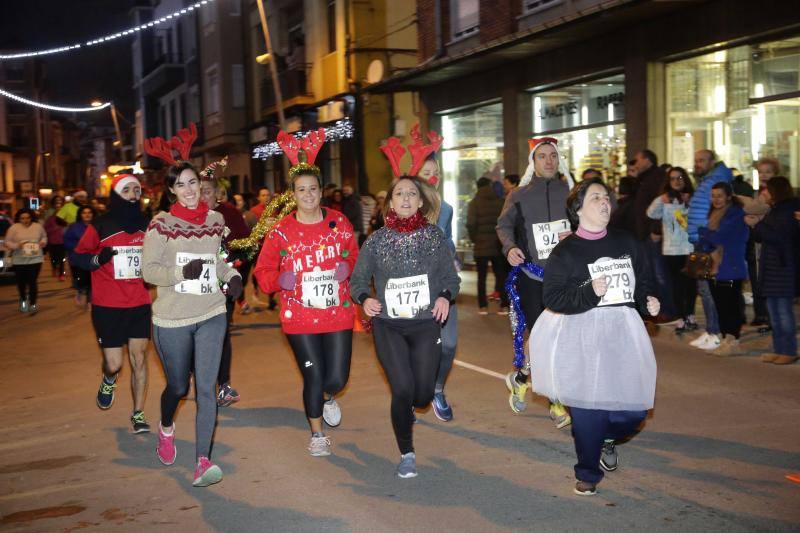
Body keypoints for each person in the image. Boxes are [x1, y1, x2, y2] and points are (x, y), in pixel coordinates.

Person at [530, 177, 659, 496]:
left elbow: (640, 283)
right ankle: (587, 472)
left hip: (622, 332)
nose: (605, 203)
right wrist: (590, 291)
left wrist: (647, 303)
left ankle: (608, 437)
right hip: (581, 334)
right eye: (595, 198)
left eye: (607, 197)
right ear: (578, 209)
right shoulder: (566, 251)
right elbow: (553, 298)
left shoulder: (627, 242)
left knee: (633, 412)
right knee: (588, 409)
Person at [142, 125, 243, 487]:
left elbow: (215, 260)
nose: (189, 189)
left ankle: (203, 461)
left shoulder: (215, 221)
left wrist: (230, 275)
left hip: (212, 312)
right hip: (171, 319)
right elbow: (148, 273)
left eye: (193, 182)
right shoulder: (161, 225)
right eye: (181, 184)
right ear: (171, 190)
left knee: (205, 389)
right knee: (178, 389)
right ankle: (166, 427)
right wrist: (179, 271)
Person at [254, 129, 359, 457]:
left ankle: (330, 396)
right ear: (293, 194)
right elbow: (262, 272)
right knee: (313, 376)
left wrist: (348, 267)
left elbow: (355, 255)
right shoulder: (281, 231)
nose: (309, 195)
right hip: (299, 317)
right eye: (302, 190)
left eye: (313, 189)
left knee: (337, 378)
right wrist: (278, 281)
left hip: (337, 312)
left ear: (320, 191)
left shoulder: (339, 223)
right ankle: (317, 434)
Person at [350, 176, 460, 477]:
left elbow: (452, 280)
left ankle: (414, 404)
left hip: (425, 323)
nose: (406, 198)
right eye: (400, 193)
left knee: (422, 396)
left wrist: (444, 298)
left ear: (421, 202)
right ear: (391, 202)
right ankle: (407, 452)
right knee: (401, 390)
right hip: (389, 325)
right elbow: (357, 281)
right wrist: (365, 299)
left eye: (412, 193)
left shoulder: (434, 237)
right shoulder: (376, 240)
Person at [495, 137, 572, 426]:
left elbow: (589, 223)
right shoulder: (519, 194)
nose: (549, 161)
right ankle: (556, 402)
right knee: (542, 335)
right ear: (533, 162)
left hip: (566, 276)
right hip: (532, 275)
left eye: (553, 155)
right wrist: (510, 248)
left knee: (561, 337)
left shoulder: (572, 191)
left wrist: (575, 236)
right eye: (542, 156)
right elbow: (503, 226)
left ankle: (522, 377)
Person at [72, 174, 152, 433]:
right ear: (116, 194)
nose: (132, 194)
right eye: (126, 189)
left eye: (136, 190)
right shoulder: (101, 225)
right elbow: (77, 256)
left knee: (139, 359)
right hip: (108, 305)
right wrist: (98, 260)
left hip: (139, 302)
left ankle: (138, 414)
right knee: (115, 363)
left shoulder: (148, 224)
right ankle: (109, 378)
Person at [415, 149, 460, 422]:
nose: (432, 178)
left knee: (449, 344)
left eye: (436, 173)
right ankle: (410, 394)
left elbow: (450, 241)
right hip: (413, 289)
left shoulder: (447, 209)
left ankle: (437, 389)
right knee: (414, 347)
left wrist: (452, 255)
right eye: (426, 173)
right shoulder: (402, 206)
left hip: (443, 286)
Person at [200, 174, 252, 408]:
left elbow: (247, 245)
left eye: (207, 192)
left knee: (221, 332)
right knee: (196, 334)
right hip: (194, 289)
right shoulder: (185, 217)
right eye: (198, 191)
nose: (202, 196)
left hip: (222, 284)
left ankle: (224, 384)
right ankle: (198, 376)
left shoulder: (229, 214)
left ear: (217, 194)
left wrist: (234, 267)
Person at [746, 177, 799, 365]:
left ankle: (789, 350)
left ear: (777, 191)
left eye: (767, 190)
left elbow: (780, 238)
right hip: (771, 268)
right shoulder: (775, 210)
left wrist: (757, 225)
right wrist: (756, 226)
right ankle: (779, 349)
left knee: (784, 313)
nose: (764, 193)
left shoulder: (789, 210)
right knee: (774, 314)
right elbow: (762, 236)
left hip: (783, 269)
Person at [686, 150, 733, 350]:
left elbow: (719, 209)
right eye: (696, 160)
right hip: (701, 239)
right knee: (704, 289)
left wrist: (707, 231)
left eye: (702, 160)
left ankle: (715, 332)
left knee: (709, 290)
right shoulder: (707, 180)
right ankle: (711, 330)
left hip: (708, 240)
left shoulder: (717, 179)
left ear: (712, 161)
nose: (698, 163)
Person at [697, 182, 748, 356]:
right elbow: (706, 241)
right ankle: (726, 339)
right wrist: (706, 236)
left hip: (731, 266)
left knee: (730, 305)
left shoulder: (735, 213)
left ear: (728, 196)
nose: (716, 199)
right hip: (714, 267)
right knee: (720, 304)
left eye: (720, 195)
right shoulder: (713, 214)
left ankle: (733, 340)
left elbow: (721, 237)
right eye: (713, 196)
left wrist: (704, 232)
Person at [647, 166, 698, 333]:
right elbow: (651, 214)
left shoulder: (692, 199)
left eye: (680, 178)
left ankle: (690, 315)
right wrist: (661, 200)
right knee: (676, 286)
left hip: (689, 247)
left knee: (690, 285)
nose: (677, 182)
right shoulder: (664, 200)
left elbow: (698, 219)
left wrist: (689, 202)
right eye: (673, 178)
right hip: (671, 249)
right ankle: (681, 317)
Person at [632, 149, 673, 319]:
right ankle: (656, 310)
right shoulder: (644, 178)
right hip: (643, 233)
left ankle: (667, 311)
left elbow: (662, 205)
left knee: (659, 274)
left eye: (638, 160)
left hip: (652, 234)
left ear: (647, 160)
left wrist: (656, 230)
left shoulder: (657, 177)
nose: (635, 164)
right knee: (649, 274)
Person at [468, 176, 509, 314]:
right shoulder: (499, 201)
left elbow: (471, 224)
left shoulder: (474, 203)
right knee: (500, 275)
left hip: (481, 245)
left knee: (482, 277)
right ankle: (504, 305)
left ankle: (483, 306)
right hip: (497, 245)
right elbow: (505, 223)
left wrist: (475, 239)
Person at [5, 207, 47, 313]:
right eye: (22, 218)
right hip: (19, 260)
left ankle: (33, 303)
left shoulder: (38, 227)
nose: (25, 220)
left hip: (35, 259)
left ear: (31, 218)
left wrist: (42, 242)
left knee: (32, 282)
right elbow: (7, 242)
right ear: (19, 218)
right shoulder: (13, 228)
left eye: (28, 218)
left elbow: (44, 237)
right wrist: (17, 245)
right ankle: (23, 299)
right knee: (21, 283)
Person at [64, 206, 95, 308]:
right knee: (81, 280)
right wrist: (79, 247)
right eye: (84, 213)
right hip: (77, 259)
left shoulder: (97, 225)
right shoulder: (74, 227)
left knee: (92, 280)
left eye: (89, 212)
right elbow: (67, 241)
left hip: (92, 258)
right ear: (80, 215)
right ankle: (80, 290)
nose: (87, 214)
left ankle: (90, 301)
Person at [44, 196, 66, 280]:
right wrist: (54, 229)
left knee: (62, 259)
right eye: (57, 210)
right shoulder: (50, 219)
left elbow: (68, 228)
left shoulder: (64, 219)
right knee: (53, 258)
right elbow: (45, 229)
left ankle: (62, 274)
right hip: (52, 242)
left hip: (62, 242)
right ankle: (54, 268)